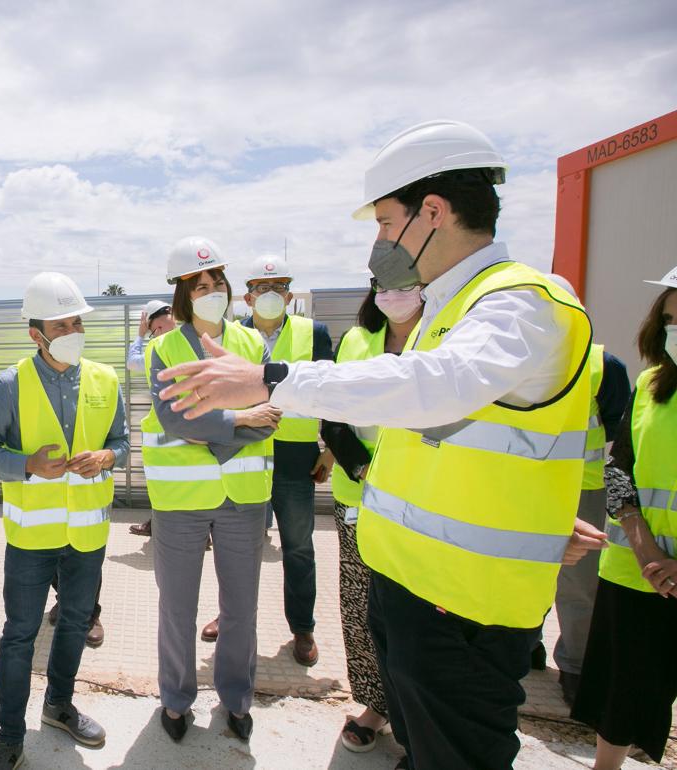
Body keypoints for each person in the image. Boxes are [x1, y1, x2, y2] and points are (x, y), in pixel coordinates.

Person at [155, 120, 604, 770]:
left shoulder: (523, 302)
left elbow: (435, 387)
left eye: (386, 222)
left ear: (433, 212)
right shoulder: (453, 310)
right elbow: (454, 442)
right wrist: (534, 514)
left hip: (463, 610)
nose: (379, 242)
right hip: (413, 591)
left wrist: (269, 379)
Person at [0, 271, 126, 770]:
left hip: (87, 533)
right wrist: (27, 465)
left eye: (77, 321)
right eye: (61, 324)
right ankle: (10, 736)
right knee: (19, 634)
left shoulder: (105, 378)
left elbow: (121, 443)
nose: (73, 330)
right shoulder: (9, 384)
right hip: (31, 538)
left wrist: (106, 456)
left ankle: (59, 705)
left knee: (76, 622)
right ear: (35, 333)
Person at [142, 237, 277, 745]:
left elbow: (272, 416)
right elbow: (176, 419)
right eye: (200, 285)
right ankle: (176, 701)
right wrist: (239, 417)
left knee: (241, 607)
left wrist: (215, 426)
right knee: (178, 607)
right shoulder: (163, 349)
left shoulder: (251, 346)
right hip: (181, 505)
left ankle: (237, 699)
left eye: (218, 282)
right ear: (182, 294)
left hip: (244, 501)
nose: (212, 291)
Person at [571, 265, 677, 769]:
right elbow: (621, 468)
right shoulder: (652, 384)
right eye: (671, 320)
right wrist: (646, 549)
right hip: (640, 572)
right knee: (622, 688)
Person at [211, 256, 332, 662]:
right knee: (236, 544)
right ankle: (228, 617)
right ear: (246, 297)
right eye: (261, 289)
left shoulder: (313, 333)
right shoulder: (229, 336)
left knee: (297, 545)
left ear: (290, 294)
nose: (269, 295)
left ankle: (302, 628)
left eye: (278, 287)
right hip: (244, 452)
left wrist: (330, 448)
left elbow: (331, 392)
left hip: (296, 456)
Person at [319, 285, 422, 752]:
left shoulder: (448, 339)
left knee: (421, 611)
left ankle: (420, 718)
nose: (396, 290)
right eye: (386, 281)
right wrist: (363, 470)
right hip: (359, 498)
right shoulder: (357, 341)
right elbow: (333, 417)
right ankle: (376, 706)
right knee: (363, 607)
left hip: (426, 504)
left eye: (409, 280)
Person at [540, 274, 630, 707]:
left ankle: (575, 665)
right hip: (527, 486)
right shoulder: (523, 359)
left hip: (583, 489)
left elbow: (616, 429)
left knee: (578, 584)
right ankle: (525, 647)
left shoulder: (603, 365)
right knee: (525, 570)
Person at [127, 298, 174, 537]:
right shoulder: (190, 340)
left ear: (148, 321)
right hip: (196, 427)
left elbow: (132, 362)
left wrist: (139, 336)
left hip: (163, 430)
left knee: (161, 483)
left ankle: (160, 527)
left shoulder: (156, 347)